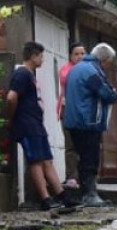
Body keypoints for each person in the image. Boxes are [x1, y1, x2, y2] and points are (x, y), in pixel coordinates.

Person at [6, 41, 76, 210]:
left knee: (47, 159)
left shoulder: (30, 74)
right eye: (41, 56)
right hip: (27, 124)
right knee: (36, 161)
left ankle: (61, 195)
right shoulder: (21, 74)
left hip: (36, 124)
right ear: (33, 56)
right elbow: (11, 97)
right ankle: (45, 198)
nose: (43, 60)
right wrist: (12, 116)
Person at [63, 42, 117, 207]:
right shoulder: (92, 71)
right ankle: (90, 194)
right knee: (90, 158)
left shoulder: (76, 68)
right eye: (109, 62)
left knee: (82, 157)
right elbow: (106, 93)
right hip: (87, 121)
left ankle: (86, 193)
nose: (109, 65)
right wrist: (114, 95)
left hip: (74, 120)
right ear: (104, 59)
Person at [57, 41, 86, 185]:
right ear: (70, 56)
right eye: (76, 54)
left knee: (86, 146)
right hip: (68, 112)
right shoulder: (65, 70)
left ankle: (86, 175)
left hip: (85, 113)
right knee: (71, 146)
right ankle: (72, 176)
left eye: (82, 53)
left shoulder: (89, 68)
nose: (80, 57)